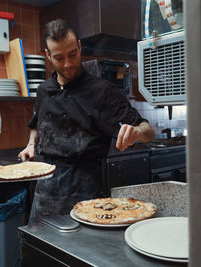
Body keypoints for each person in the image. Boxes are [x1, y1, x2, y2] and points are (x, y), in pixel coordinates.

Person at [18, 19, 155, 223]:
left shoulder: (103, 91)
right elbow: (38, 124)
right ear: (47, 56)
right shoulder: (43, 90)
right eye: (59, 57)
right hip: (45, 191)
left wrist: (135, 132)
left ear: (80, 47)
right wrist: (30, 144)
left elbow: (148, 131)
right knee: (40, 251)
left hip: (86, 191)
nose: (68, 64)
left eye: (72, 54)